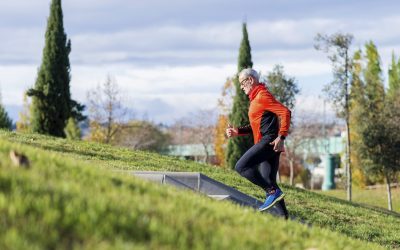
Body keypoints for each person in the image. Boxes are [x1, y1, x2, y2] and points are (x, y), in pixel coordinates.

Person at [226, 68, 291, 218]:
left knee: (241, 166)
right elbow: (256, 125)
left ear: (250, 80)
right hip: (269, 143)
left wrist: (281, 137)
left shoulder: (262, 95)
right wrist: (237, 132)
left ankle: (272, 192)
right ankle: (284, 219)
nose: (241, 87)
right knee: (268, 180)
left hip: (269, 141)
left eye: (242, 83)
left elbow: (285, 112)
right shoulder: (256, 99)